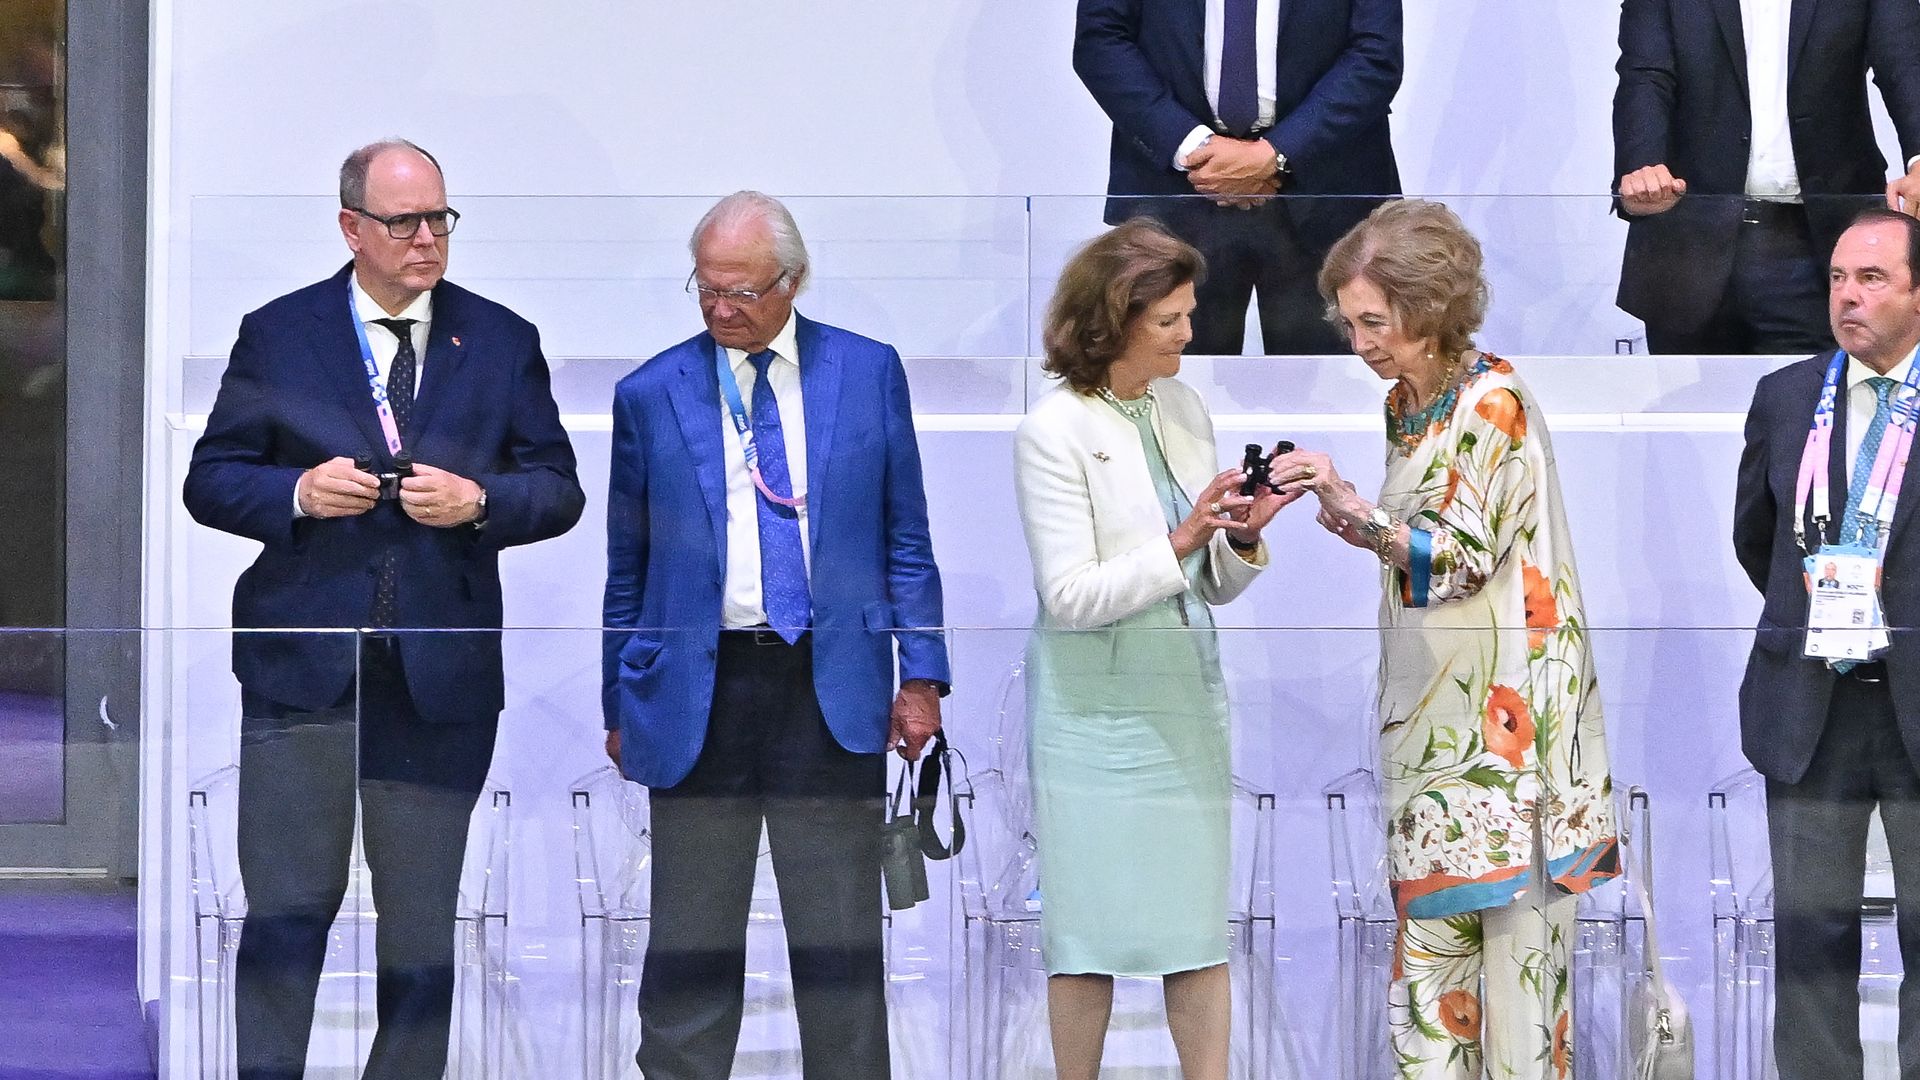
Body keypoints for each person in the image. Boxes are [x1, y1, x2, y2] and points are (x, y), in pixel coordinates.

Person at [183, 139, 584, 1080]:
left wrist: (481, 503)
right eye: (403, 222)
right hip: (303, 674)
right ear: (351, 228)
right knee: (288, 911)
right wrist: (296, 493)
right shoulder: (281, 333)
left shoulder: (499, 338)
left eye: (440, 218)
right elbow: (212, 482)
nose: (426, 240)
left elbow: (557, 489)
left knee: (419, 929)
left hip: (437, 681)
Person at [600, 191, 950, 1080]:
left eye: (743, 292)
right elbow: (627, 566)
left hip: (826, 682)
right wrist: (619, 696)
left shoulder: (868, 372)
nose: (722, 310)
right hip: (696, 690)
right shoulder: (649, 392)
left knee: (837, 932)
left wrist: (923, 677)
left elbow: (905, 536)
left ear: (793, 282)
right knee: (691, 936)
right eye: (707, 290)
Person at [1293, 200, 1617, 1078]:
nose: (1360, 342)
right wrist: (1358, 518)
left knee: (1517, 1003)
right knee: (1433, 999)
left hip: (1512, 754)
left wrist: (1354, 511)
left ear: (1429, 307)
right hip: (1435, 740)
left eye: (1375, 320)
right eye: (1350, 322)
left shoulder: (1492, 401)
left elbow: (1460, 559)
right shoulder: (1409, 405)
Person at [1012, 218, 1305, 1079]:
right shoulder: (1053, 428)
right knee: (1086, 936)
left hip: (1183, 702)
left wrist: (1240, 539)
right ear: (1115, 320)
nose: (1189, 331)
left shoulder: (1182, 407)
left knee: (1193, 930)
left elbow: (1207, 582)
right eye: (1171, 318)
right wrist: (1182, 540)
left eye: (1188, 313)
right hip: (1093, 717)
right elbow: (1071, 599)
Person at [1734, 208, 1920, 1080]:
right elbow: (1755, 539)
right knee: (1810, 934)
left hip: (1915, 700)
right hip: (1810, 700)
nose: (1848, 297)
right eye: (1840, 279)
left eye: (1873, 279)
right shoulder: (1784, 395)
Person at [1073, 0, 1401, 356]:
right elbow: (1100, 40)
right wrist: (1195, 148)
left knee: (1334, 394)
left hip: (1326, 194)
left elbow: (1376, 53)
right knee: (1165, 393)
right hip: (1174, 201)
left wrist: (1276, 153)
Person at [1612, 0, 1920, 354]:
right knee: (1690, 406)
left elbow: (1904, 60)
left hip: (1819, 247)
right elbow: (1646, 75)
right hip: (1690, 245)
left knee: (1812, 400)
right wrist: (1644, 167)